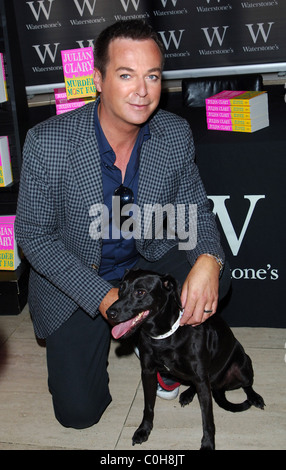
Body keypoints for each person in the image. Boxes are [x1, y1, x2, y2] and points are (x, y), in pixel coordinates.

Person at [15, 20, 229, 429]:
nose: (143, 90)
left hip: (143, 261)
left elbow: (194, 209)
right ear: (98, 79)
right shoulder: (48, 142)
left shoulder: (173, 133)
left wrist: (208, 260)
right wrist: (103, 297)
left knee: (215, 271)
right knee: (78, 414)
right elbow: (34, 238)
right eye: (126, 75)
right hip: (76, 278)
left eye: (152, 76)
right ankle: (111, 338)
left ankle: (163, 350)